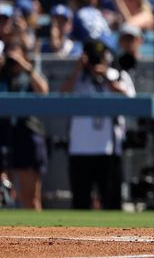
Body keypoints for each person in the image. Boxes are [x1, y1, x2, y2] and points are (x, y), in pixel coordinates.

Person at [60, 39, 136, 210]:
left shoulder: (117, 75)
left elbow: (131, 100)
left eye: (100, 56)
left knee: (111, 201)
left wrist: (107, 79)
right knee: (80, 202)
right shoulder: (79, 79)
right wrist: (78, 70)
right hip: (80, 149)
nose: (97, 61)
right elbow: (62, 95)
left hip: (109, 150)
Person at [0, 40, 49, 210]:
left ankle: (37, 233)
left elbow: (44, 91)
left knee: (30, 196)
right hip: (3, 132)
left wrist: (25, 66)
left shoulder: (29, 72)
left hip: (27, 132)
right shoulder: (1, 75)